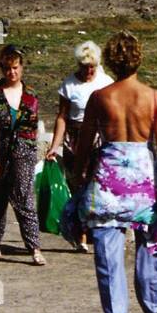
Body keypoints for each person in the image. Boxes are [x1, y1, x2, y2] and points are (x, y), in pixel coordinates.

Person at [65, 32, 157, 313]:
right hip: (144, 184)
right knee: (149, 250)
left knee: (108, 259)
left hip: (107, 183)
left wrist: (76, 179)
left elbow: (85, 144)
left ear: (111, 62)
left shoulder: (100, 98)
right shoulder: (155, 97)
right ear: (139, 58)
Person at [47, 40, 114, 253]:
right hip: (74, 137)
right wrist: (54, 146)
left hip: (98, 137)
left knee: (98, 185)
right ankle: (81, 233)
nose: (89, 71)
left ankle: (97, 232)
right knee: (77, 184)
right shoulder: (69, 85)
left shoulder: (105, 83)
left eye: (92, 67)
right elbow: (62, 117)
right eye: (85, 67)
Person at [0, 45, 45, 265]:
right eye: (8, 68)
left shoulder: (30, 95)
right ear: (2, 69)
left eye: (16, 68)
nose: (12, 73)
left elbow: (33, 127)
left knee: (25, 197)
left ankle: (34, 246)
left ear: (22, 68)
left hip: (24, 153)